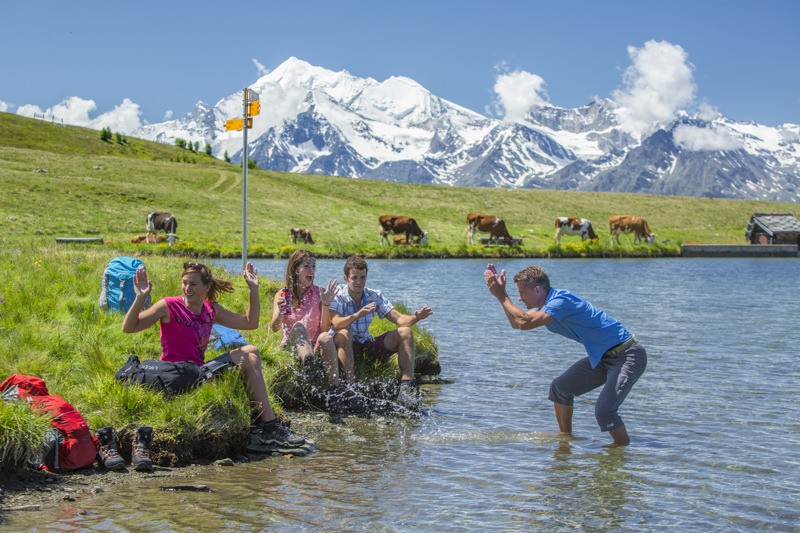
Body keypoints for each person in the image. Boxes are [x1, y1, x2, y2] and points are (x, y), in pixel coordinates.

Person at [120, 261, 308, 456]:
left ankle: (267, 424)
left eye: (193, 284)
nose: (187, 288)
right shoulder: (168, 306)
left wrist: (253, 288)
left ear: (206, 287)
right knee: (248, 352)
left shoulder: (211, 310)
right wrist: (140, 298)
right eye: (184, 283)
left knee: (251, 352)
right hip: (176, 376)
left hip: (199, 373)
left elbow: (250, 323)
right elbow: (129, 327)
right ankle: (270, 426)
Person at [483, 263, 647, 445]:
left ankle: (621, 455)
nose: (520, 299)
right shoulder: (544, 308)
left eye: (522, 293)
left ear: (537, 289)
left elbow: (524, 320)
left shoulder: (562, 300)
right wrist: (500, 296)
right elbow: (519, 323)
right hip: (602, 357)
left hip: (627, 355)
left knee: (604, 410)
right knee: (560, 388)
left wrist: (502, 294)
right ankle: (565, 442)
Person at [329, 255, 433, 410]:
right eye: (354, 278)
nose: (359, 282)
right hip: (344, 345)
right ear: (346, 278)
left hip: (365, 342)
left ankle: (406, 386)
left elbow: (399, 319)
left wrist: (416, 317)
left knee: (405, 332)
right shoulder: (337, 295)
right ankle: (350, 390)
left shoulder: (374, 295)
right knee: (344, 333)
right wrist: (357, 315)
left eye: (362, 277)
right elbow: (335, 322)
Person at [269, 250, 358, 412]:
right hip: (292, 348)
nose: (312, 270)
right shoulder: (283, 294)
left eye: (314, 266)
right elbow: (274, 328)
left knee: (325, 336)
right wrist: (280, 313)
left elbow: (324, 329)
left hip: (314, 347)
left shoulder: (319, 292)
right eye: (307, 266)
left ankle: (335, 392)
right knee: (299, 326)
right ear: (296, 270)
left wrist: (325, 304)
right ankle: (309, 364)